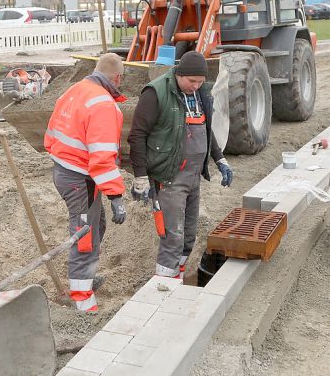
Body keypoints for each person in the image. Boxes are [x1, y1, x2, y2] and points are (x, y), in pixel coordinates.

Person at [128, 51, 233, 279]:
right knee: (172, 237)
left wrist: (220, 159)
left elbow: (206, 130)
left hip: (193, 178)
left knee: (188, 236)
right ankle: (164, 285)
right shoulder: (156, 93)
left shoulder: (200, 93)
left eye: (200, 82)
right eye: (191, 81)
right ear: (179, 74)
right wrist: (141, 176)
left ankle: (179, 275)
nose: (195, 86)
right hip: (169, 177)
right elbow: (137, 135)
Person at [44, 53, 128, 312]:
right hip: (80, 178)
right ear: (118, 78)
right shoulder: (103, 104)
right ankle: (82, 298)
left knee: (96, 224)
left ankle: (86, 278)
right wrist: (116, 196)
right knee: (85, 233)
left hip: (63, 168)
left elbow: (51, 134)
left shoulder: (74, 90)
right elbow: (102, 158)